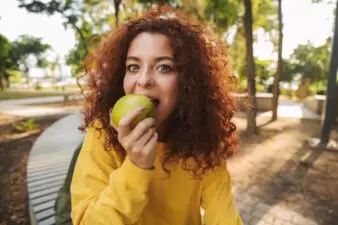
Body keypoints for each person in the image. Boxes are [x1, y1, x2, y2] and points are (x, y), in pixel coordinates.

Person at [70, 5, 243, 225]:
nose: (143, 80)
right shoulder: (103, 133)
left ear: (188, 82)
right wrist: (136, 166)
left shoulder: (203, 144)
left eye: (163, 68)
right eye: (133, 67)